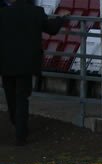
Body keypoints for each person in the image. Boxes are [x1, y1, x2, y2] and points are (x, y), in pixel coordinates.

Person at [0, 0, 66, 146]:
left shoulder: (3, 13)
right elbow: (52, 29)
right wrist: (61, 18)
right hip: (26, 63)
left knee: (10, 96)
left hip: (6, 62)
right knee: (22, 97)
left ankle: (16, 123)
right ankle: (21, 134)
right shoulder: (36, 12)